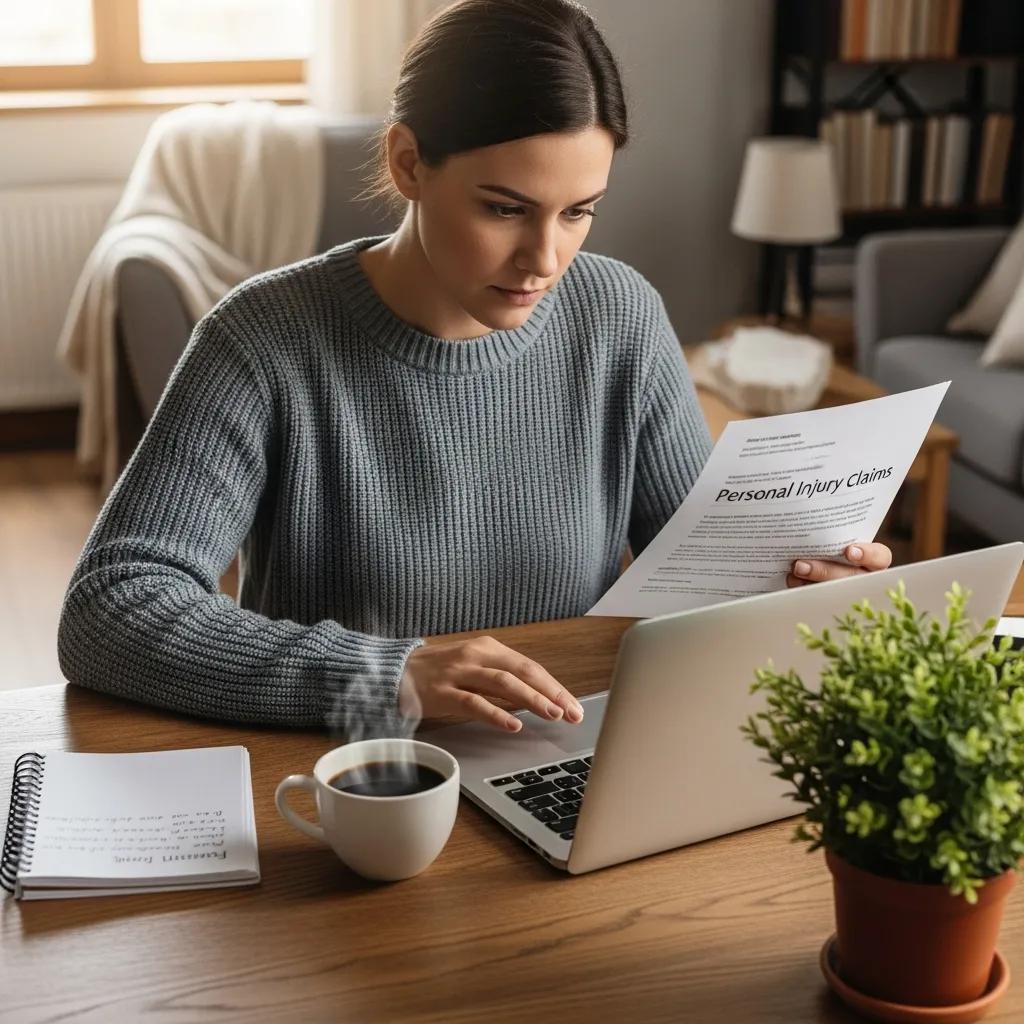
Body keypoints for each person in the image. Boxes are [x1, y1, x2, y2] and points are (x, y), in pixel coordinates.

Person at [57, 0, 891, 737]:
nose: (544, 258)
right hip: (366, 791)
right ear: (408, 163)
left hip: (571, 755)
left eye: (578, 213)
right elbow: (110, 608)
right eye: (505, 209)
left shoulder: (620, 316)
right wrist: (384, 676)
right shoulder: (263, 340)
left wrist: (805, 580)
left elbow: (702, 574)